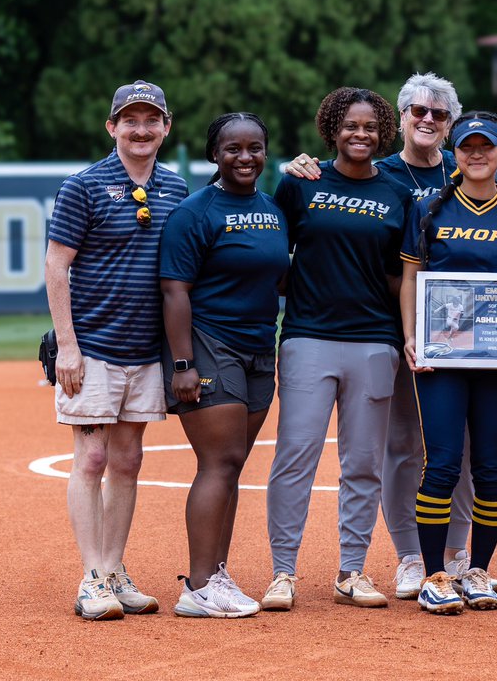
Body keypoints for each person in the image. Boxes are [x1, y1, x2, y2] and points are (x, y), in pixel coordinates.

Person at [283, 72, 486, 599]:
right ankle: (411, 556)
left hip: (458, 331)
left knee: (455, 445)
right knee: (400, 444)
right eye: (418, 111)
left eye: (439, 115)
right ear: (401, 121)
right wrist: (298, 167)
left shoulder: (467, 170)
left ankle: (458, 554)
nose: (428, 120)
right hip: (391, 332)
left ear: (451, 126)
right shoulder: (381, 176)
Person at [260, 87, 414, 611]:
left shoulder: (398, 193)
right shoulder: (300, 183)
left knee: (364, 462)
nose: (361, 134)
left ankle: (352, 571)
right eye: (350, 124)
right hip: (308, 336)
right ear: (332, 127)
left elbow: (402, 276)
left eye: (371, 126)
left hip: (374, 341)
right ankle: (283, 572)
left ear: (383, 132)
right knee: (295, 455)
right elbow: (270, 257)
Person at [44, 79, 188, 620]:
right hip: (94, 346)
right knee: (93, 457)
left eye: (152, 119)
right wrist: (67, 347)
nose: (142, 128)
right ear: (113, 127)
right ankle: (91, 578)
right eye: (131, 120)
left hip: (145, 349)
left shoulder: (176, 189)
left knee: (127, 459)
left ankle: (113, 569)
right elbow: (57, 265)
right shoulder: (82, 186)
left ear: (166, 127)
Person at [400, 111, 497, 614]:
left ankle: (478, 569)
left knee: (490, 468)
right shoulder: (430, 208)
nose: (477, 154)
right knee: (439, 465)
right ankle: (436, 574)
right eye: (467, 147)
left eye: (486, 146)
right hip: (443, 359)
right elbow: (412, 279)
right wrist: (411, 338)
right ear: (454, 152)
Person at [160, 112, 288, 618]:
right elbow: (174, 290)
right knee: (218, 462)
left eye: (254, 147)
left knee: (232, 465)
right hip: (211, 345)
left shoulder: (272, 209)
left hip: (260, 346)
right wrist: (183, 363)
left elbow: (278, 278)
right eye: (233, 148)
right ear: (215, 154)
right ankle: (198, 584)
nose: (245, 157)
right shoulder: (197, 212)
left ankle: (216, 574)